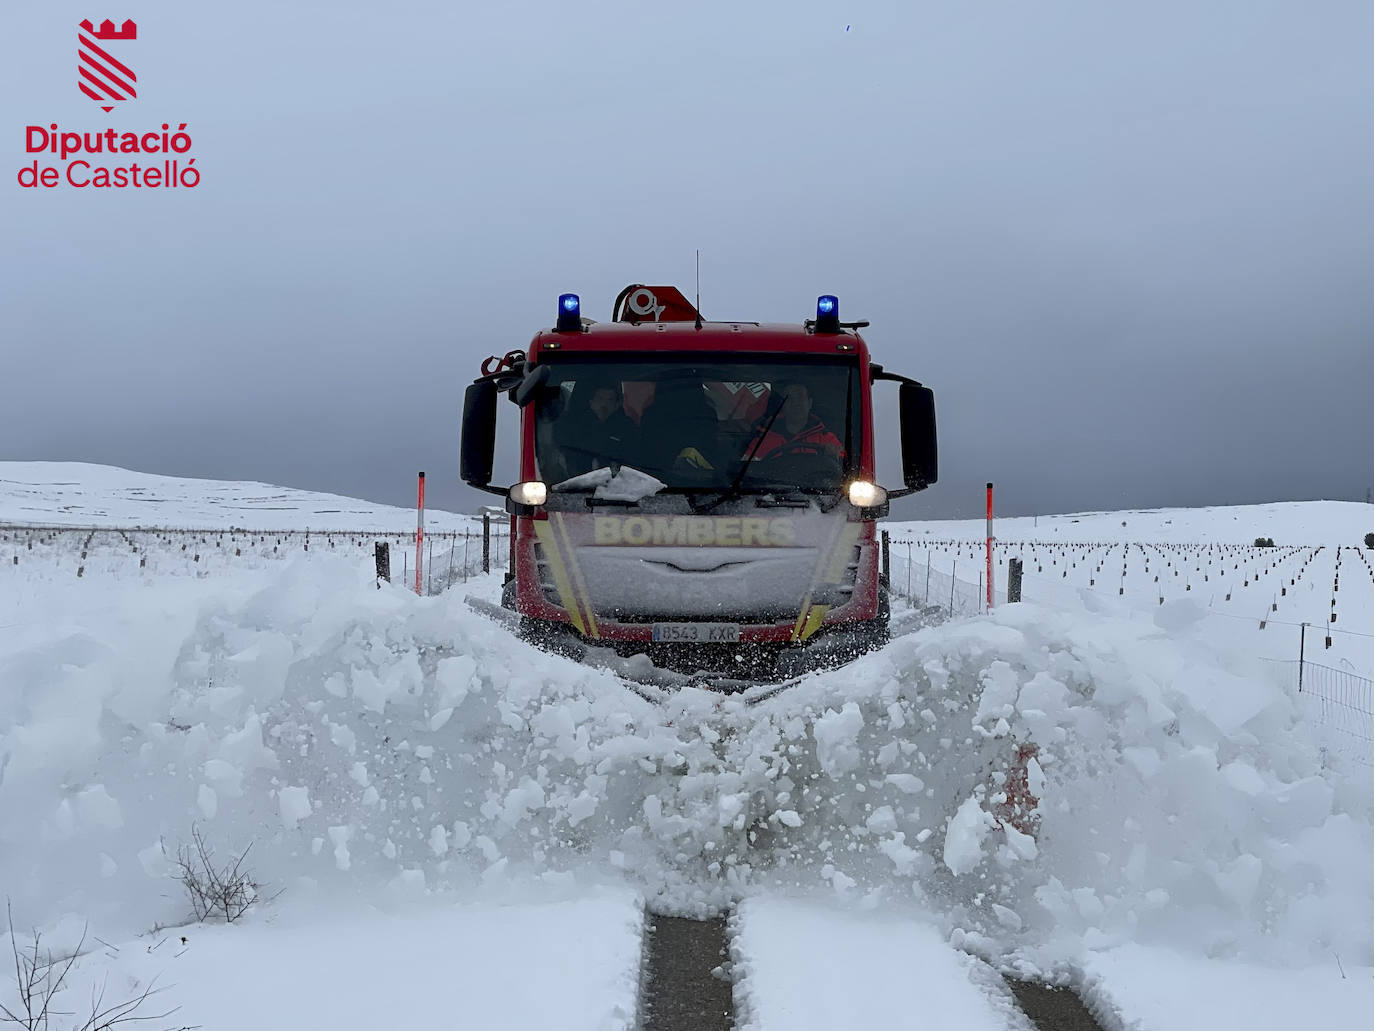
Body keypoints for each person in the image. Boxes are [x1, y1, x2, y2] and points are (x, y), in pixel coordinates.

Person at [744, 381, 844, 467]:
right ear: (782, 405)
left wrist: (834, 455)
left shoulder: (826, 439)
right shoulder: (763, 439)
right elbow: (748, 470)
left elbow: (846, 468)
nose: (795, 404)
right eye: (789, 399)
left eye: (800, 398)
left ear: (810, 403)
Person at [555, 377, 638, 477]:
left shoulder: (627, 428)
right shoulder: (574, 427)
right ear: (591, 402)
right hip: (576, 484)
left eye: (610, 400)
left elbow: (634, 460)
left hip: (619, 486)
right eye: (600, 399)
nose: (604, 404)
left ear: (617, 404)